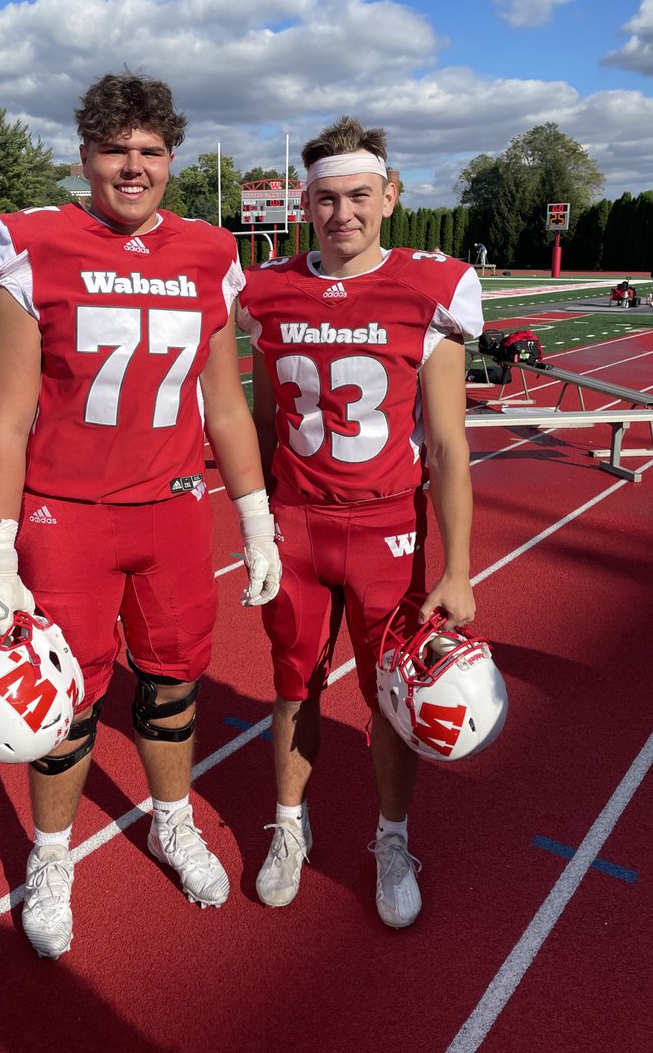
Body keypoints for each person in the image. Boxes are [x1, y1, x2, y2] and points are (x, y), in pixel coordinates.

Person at [0, 71, 281, 958]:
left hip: (174, 512)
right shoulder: (34, 246)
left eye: (151, 150)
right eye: (116, 150)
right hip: (68, 516)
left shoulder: (211, 252)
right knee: (63, 703)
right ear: (85, 157)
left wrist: (255, 519)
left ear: (172, 158)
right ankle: (53, 856)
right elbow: (6, 420)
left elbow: (224, 408)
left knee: (174, 683)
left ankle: (170, 822)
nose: (133, 167)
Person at [237, 115, 484, 927]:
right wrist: (262, 517)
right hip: (300, 525)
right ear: (305, 202)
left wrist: (457, 568)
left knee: (391, 697)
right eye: (325, 198)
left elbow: (447, 443)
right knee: (290, 686)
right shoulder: (269, 290)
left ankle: (390, 836)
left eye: (358, 196)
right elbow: (265, 419)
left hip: (388, 528)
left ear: (390, 196)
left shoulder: (430, 285)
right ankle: (289, 826)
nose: (342, 213)